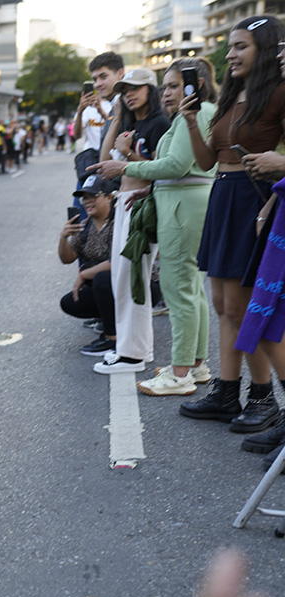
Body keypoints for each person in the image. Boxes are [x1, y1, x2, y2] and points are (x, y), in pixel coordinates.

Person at [178, 15, 285, 431]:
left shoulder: (277, 93)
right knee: (224, 305)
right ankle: (227, 391)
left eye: (241, 46)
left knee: (244, 308)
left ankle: (262, 399)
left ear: (265, 49)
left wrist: (280, 163)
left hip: (255, 202)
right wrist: (189, 121)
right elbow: (207, 161)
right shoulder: (231, 95)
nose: (231, 54)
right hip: (223, 196)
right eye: (230, 46)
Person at [90, 57, 218, 395]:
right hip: (180, 201)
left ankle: (179, 374)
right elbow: (182, 167)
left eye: (175, 85)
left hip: (182, 208)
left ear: (197, 84)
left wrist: (125, 167)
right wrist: (151, 186)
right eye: (167, 86)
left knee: (179, 292)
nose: (168, 93)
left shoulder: (196, 115)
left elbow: (176, 165)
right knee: (190, 290)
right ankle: (195, 365)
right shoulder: (194, 116)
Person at [91, 68, 170, 375]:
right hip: (125, 203)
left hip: (143, 205)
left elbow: (165, 169)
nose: (129, 93)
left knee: (134, 279)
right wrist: (116, 116)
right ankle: (127, 347)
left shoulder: (160, 124)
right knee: (121, 280)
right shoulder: (131, 122)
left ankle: (134, 354)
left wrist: (125, 159)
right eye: (125, 90)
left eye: (136, 88)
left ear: (151, 89)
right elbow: (104, 156)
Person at [58, 176, 116, 356]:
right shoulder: (85, 226)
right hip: (108, 287)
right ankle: (111, 318)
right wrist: (63, 237)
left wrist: (84, 274)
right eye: (85, 198)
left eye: (93, 196)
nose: (88, 202)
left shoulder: (120, 222)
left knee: (101, 279)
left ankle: (112, 339)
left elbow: (119, 262)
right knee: (69, 303)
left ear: (109, 197)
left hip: (139, 286)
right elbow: (67, 258)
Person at [73, 52, 125, 219]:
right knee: (86, 214)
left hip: (119, 178)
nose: (98, 84)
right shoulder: (111, 104)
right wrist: (81, 110)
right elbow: (76, 135)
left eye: (103, 77)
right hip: (94, 164)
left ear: (120, 74)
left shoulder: (124, 103)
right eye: (95, 79)